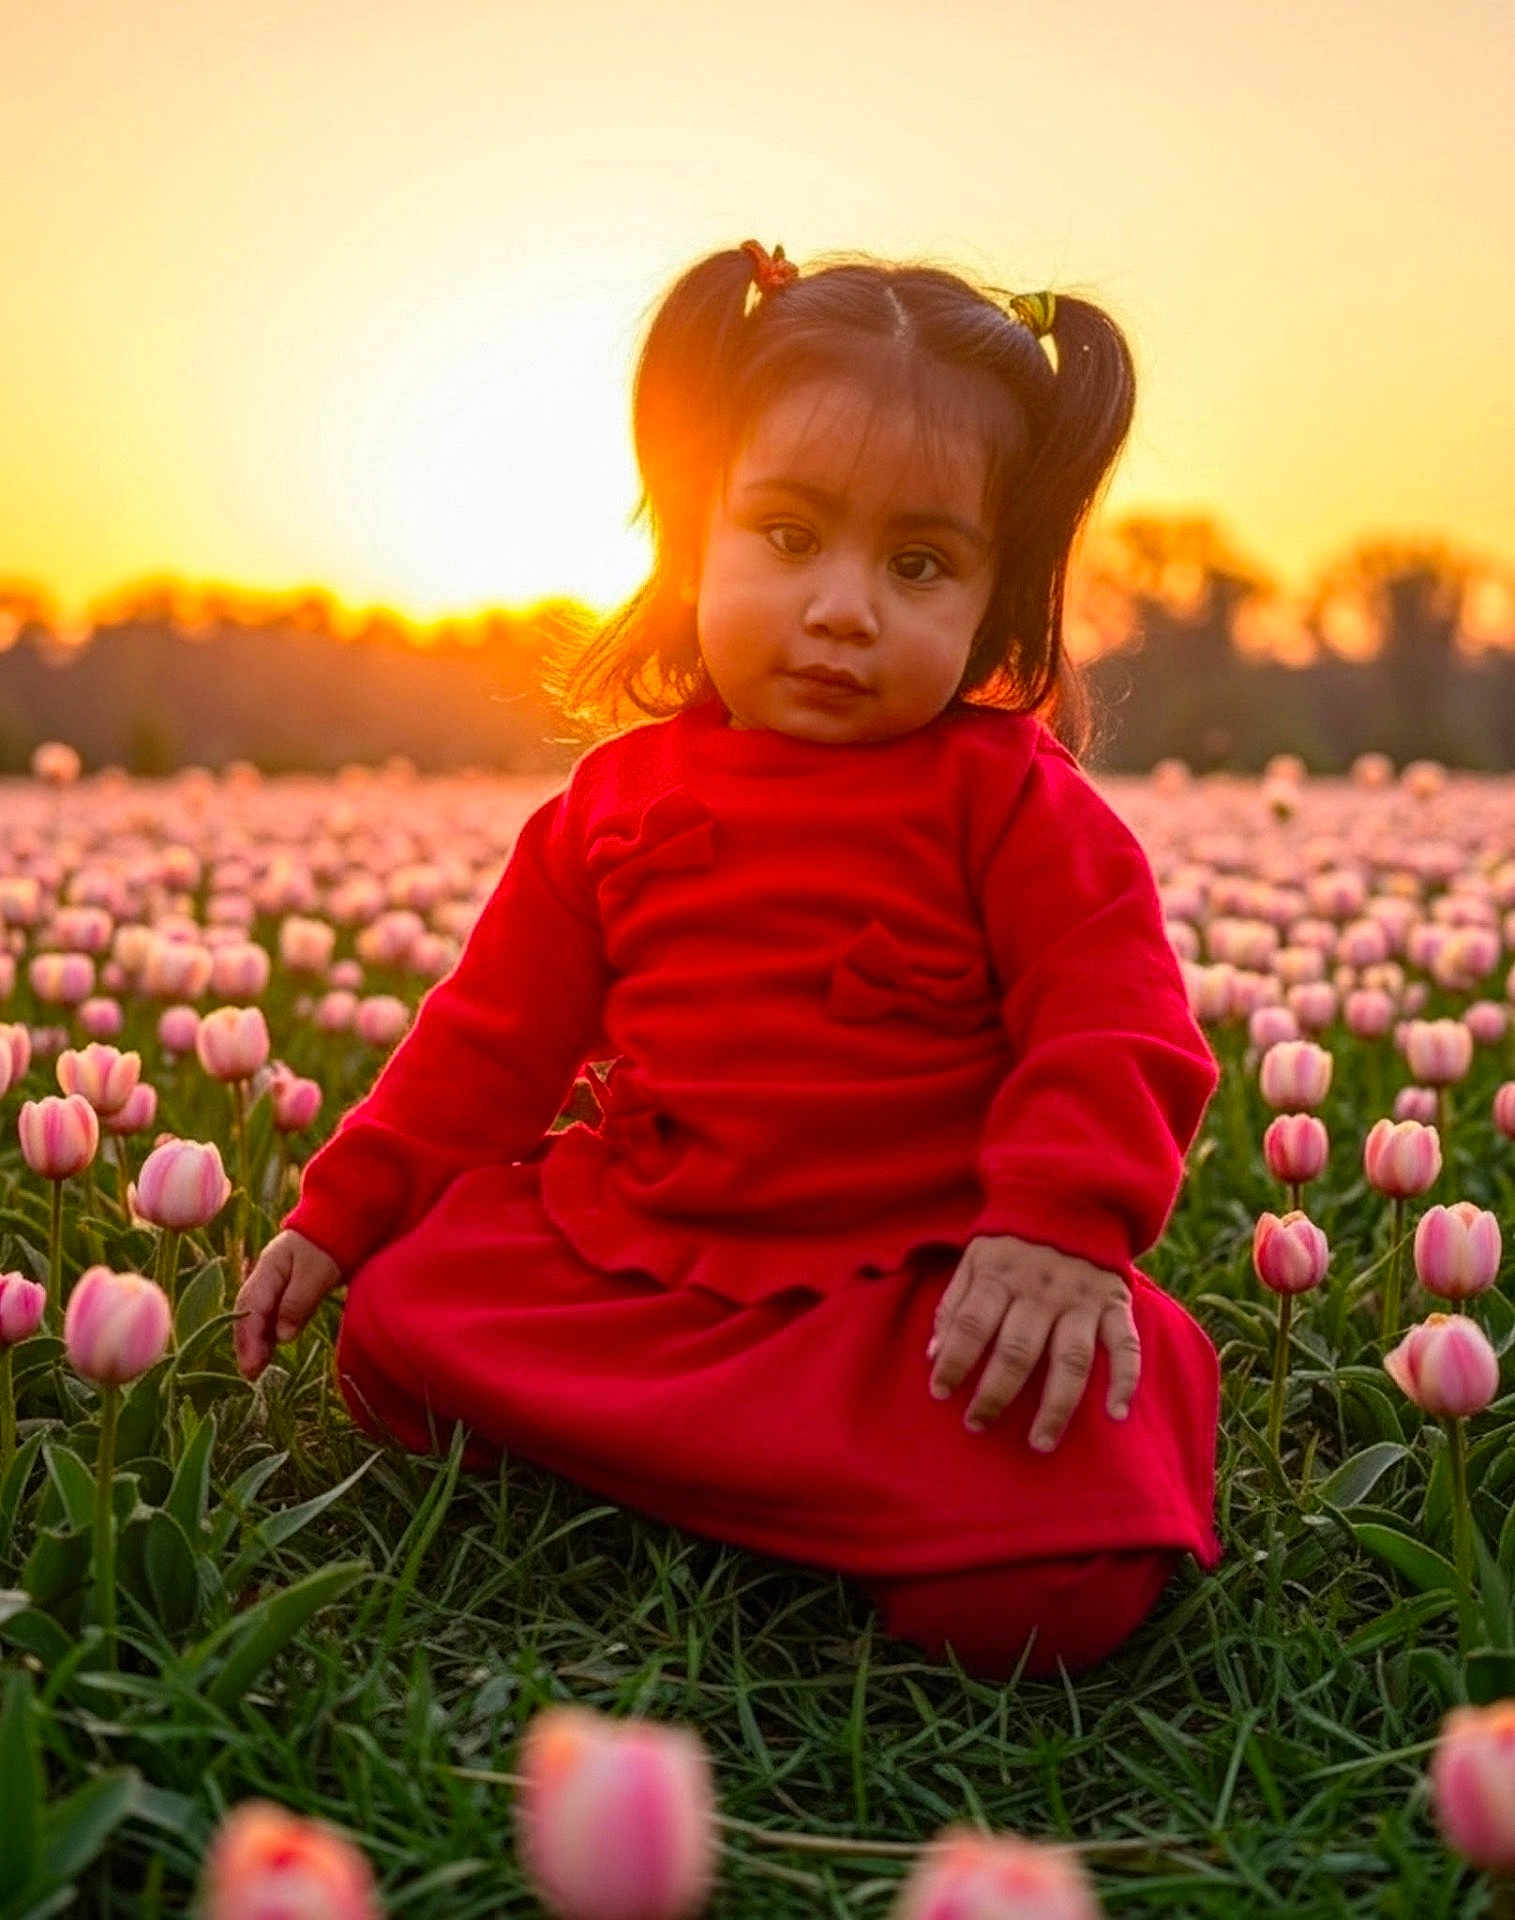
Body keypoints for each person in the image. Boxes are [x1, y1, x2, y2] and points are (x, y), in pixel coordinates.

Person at [234, 239, 1224, 1683]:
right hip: (648, 1260)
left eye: (918, 563)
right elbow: (486, 1047)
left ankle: (743, 1474)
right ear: (696, 534)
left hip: (914, 1294)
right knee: (399, 1319)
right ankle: (790, 1488)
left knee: (1050, 1589)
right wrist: (345, 1213)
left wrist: (1056, 1231)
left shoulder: (1015, 802)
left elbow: (1116, 1028)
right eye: (790, 535)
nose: (844, 607)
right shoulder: (610, 805)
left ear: (997, 597)